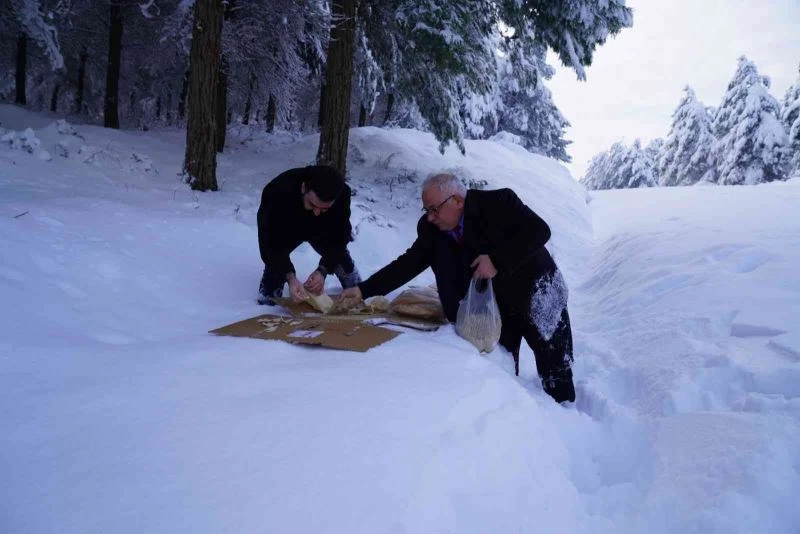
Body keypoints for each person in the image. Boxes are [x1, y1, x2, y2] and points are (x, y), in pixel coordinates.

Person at [339, 173, 575, 403]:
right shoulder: (432, 229)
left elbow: (539, 230)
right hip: (496, 305)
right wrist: (363, 290)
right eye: (426, 210)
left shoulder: (498, 203)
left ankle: (564, 417)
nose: (430, 217)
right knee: (501, 367)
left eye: (434, 209)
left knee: (555, 366)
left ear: (458, 201)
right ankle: (515, 416)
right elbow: (408, 264)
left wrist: (496, 260)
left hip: (538, 291)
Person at [256, 165, 361, 305]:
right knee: (269, 294)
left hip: (322, 229)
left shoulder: (342, 195)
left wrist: (322, 270)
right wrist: (290, 277)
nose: (317, 213)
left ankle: (349, 276)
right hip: (287, 228)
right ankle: (273, 284)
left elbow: (340, 237)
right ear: (303, 187)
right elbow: (269, 243)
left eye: (324, 209)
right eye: (312, 205)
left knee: (339, 257)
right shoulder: (277, 192)